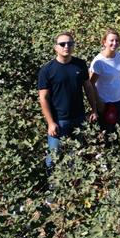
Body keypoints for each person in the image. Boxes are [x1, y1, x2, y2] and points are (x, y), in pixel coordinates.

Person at [38, 31, 98, 170]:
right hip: (59, 120)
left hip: (79, 117)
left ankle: (72, 183)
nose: (66, 46)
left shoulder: (80, 64)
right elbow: (43, 98)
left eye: (70, 44)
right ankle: (52, 186)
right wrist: (50, 122)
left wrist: (93, 109)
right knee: (54, 156)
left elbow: (88, 87)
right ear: (56, 47)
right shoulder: (47, 70)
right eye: (62, 44)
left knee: (76, 154)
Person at [89, 28, 120, 132]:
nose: (114, 43)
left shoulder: (119, 56)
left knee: (119, 129)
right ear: (104, 42)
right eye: (111, 40)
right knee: (107, 131)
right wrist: (98, 102)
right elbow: (91, 84)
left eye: (117, 40)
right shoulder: (98, 62)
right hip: (106, 102)